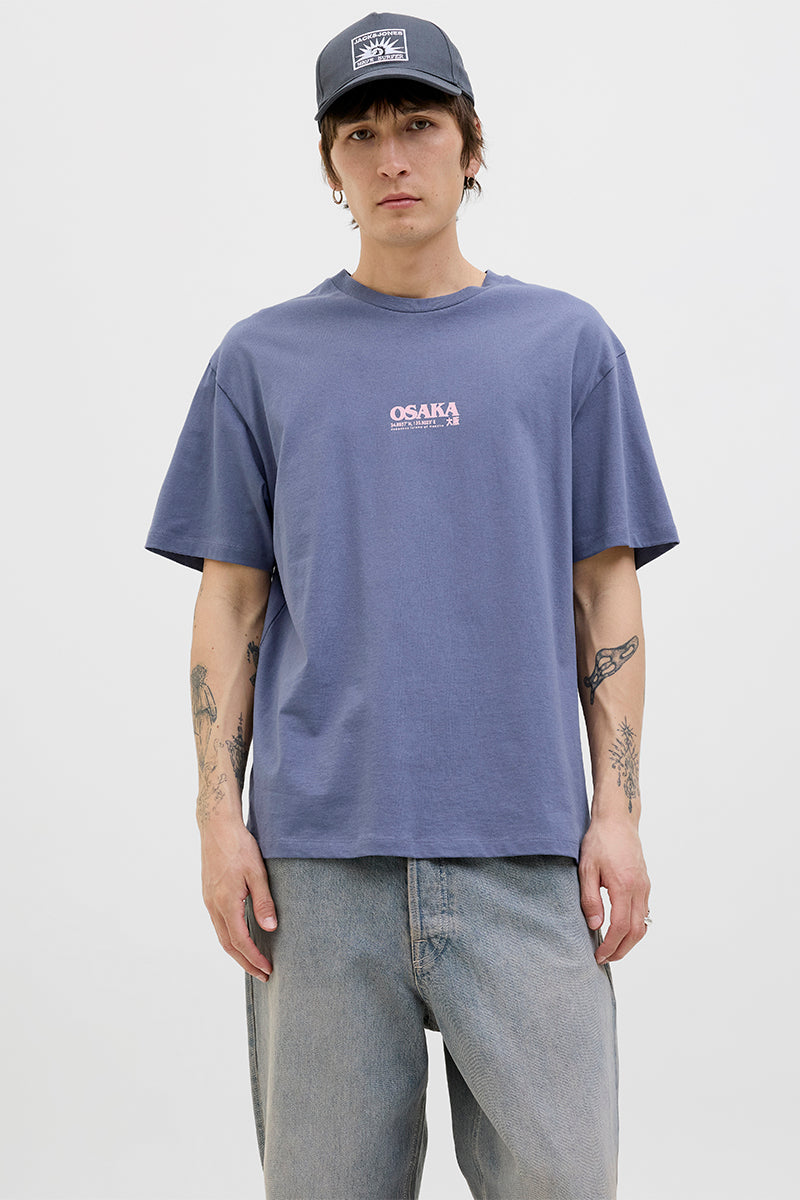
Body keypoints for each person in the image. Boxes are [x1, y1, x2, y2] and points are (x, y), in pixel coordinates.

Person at [145, 11, 679, 1199]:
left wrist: (619, 812)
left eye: (419, 126)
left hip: (526, 857)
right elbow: (229, 609)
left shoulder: (564, 346)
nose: (391, 157)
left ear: (468, 146)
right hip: (316, 870)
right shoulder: (260, 362)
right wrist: (217, 823)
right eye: (360, 134)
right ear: (329, 164)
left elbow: (605, 590)